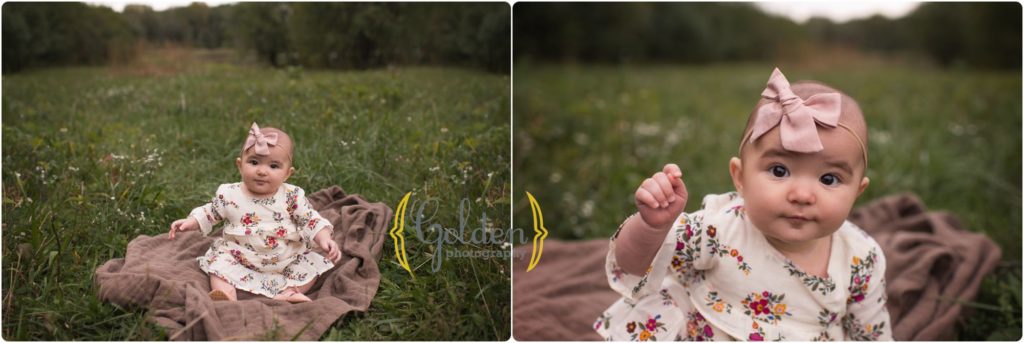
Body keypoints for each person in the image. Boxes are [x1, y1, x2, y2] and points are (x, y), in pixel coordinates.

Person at [594, 68, 891, 340]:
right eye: (779, 171)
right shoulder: (718, 229)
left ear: (857, 192)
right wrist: (651, 228)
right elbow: (633, 264)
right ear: (740, 177)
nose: (802, 194)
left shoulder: (861, 258)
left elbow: (871, 334)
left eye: (828, 179)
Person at [168, 122, 341, 303]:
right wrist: (192, 221)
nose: (262, 171)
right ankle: (226, 293)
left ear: (287, 174)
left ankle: (289, 292)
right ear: (240, 165)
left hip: (285, 258)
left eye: (273, 166)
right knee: (218, 262)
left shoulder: (292, 196)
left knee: (310, 264)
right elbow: (211, 211)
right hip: (240, 256)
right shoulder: (230, 194)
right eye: (254, 162)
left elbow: (310, 219)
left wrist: (324, 238)